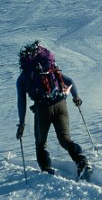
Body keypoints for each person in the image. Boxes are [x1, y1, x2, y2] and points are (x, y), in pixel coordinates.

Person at [15, 41, 90, 176]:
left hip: (42, 109)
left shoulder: (23, 77)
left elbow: (22, 102)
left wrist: (21, 124)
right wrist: (75, 97)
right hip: (61, 104)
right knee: (65, 140)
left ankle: (47, 171)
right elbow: (69, 81)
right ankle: (82, 162)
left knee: (40, 143)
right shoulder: (50, 67)